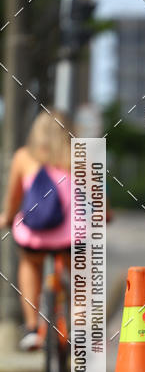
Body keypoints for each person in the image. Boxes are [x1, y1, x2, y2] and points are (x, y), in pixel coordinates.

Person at [0, 110, 71, 350]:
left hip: (34, 237)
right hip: (71, 238)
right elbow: (99, 203)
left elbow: (13, 201)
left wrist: (7, 218)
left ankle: (32, 328)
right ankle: (83, 330)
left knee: (29, 264)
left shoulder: (23, 157)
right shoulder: (81, 156)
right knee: (83, 277)